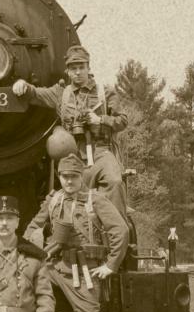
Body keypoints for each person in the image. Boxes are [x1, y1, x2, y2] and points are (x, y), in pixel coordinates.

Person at [23, 154, 129, 312]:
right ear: (59, 177)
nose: (69, 181)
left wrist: (110, 265)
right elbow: (32, 228)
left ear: (81, 176)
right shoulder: (54, 199)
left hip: (83, 273)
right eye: (64, 176)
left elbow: (121, 230)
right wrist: (37, 247)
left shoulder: (96, 200)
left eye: (73, 176)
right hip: (54, 268)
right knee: (26, 307)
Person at [12, 45, 129, 217]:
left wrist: (100, 119)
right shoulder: (61, 93)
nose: (78, 72)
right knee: (74, 198)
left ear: (89, 68)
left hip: (101, 151)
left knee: (115, 181)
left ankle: (117, 227)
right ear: (67, 71)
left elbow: (123, 121)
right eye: (73, 68)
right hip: (74, 155)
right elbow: (36, 94)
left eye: (82, 67)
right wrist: (23, 85)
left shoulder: (105, 92)